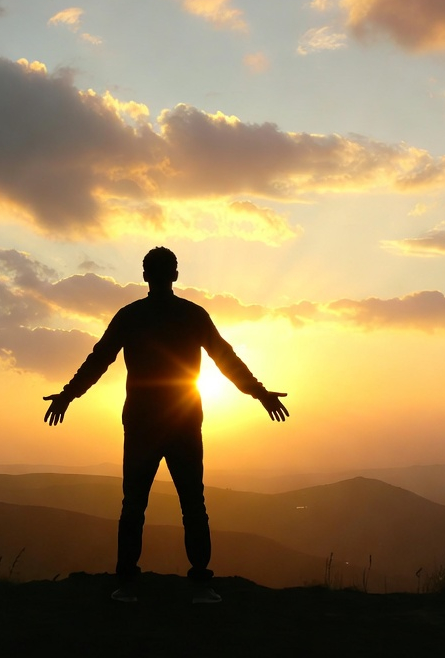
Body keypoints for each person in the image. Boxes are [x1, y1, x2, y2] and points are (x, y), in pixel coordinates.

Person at [43, 247, 289, 604]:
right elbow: (225, 357)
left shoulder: (131, 316)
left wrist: (68, 395)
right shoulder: (192, 315)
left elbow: (99, 359)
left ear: (145, 275)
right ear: (174, 274)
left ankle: (128, 583)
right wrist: (259, 393)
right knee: (192, 503)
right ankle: (200, 584)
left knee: (135, 505)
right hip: (182, 421)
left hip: (145, 423)